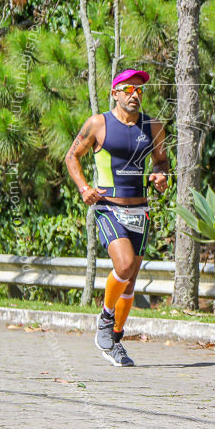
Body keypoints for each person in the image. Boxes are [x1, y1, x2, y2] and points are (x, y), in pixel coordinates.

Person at [65, 69, 169, 366]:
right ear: (115, 93)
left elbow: (161, 160)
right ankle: (105, 322)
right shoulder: (99, 124)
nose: (134, 95)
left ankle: (115, 339)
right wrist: (84, 188)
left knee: (130, 282)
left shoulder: (153, 126)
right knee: (122, 266)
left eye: (139, 91)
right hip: (108, 206)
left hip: (140, 209)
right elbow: (72, 156)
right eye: (128, 89)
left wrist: (160, 175)